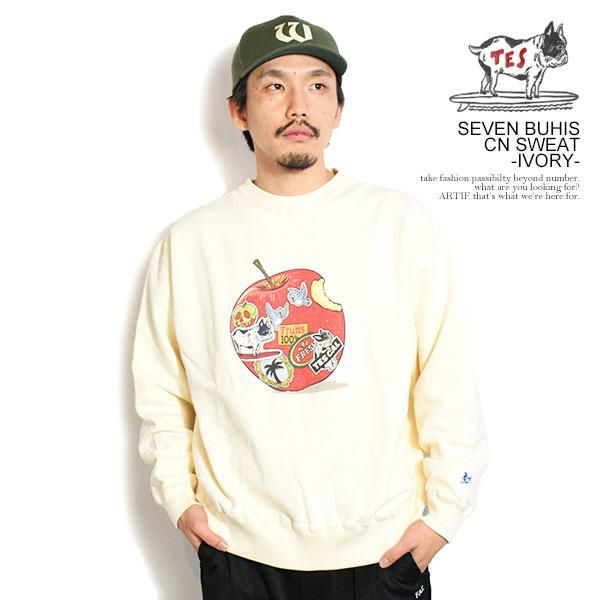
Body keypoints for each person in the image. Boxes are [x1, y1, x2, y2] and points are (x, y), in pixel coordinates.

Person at [131, 13, 489, 600]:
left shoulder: (400, 225)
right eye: (274, 85)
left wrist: (444, 516)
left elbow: (448, 381)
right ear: (238, 111)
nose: (299, 105)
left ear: (339, 108)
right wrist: (178, 498)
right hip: (239, 553)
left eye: (318, 85)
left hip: (382, 551)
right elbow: (162, 394)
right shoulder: (191, 243)